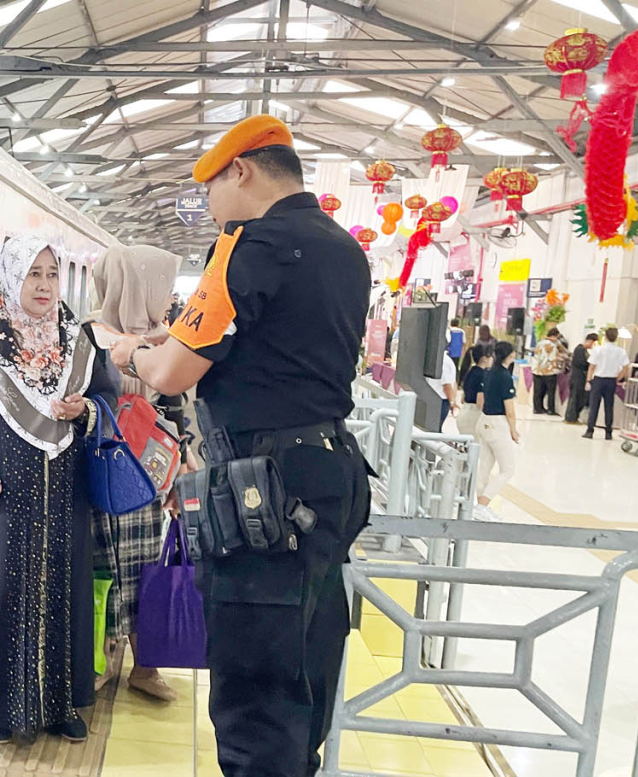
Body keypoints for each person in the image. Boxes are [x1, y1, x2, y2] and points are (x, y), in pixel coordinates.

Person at [107, 115, 372, 777]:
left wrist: (126, 351)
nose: (208, 206)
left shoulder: (248, 244)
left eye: (210, 188)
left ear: (242, 170)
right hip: (330, 473)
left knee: (255, 695)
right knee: (304, 666)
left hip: (265, 492)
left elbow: (171, 370)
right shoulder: (344, 247)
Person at [0, 235, 120, 743]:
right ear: (11, 277)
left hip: (65, 498)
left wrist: (87, 410)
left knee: (63, 588)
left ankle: (59, 706)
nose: (42, 285)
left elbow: (107, 398)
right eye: (32, 273)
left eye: (51, 274)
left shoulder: (76, 340)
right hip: (3, 498)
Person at [85, 243, 183, 702]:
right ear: (138, 286)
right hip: (104, 469)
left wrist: (179, 474)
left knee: (145, 568)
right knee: (102, 567)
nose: (167, 299)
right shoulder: (88, 336)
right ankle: (101, 657)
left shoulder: (173, 340)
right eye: (161, 287)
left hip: (150, 476)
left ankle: (146, 665)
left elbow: (182, 408)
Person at [474, 342, 520, 522]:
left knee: (485, 466)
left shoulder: (490, 372)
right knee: (508, 469)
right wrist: (513, 430)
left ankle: (479, 507)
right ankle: (483, 504)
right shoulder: (505, 376)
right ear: (510, 354)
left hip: (484, 420)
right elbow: (509, 409)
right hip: (497, 423)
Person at [584, 327, 629, 440]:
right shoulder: (621, 351)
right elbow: (626, 367)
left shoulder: (598, 350)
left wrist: (588, 380)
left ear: (605, 337)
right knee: (609, 406)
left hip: (599, 379)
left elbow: (592, 366)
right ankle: (608, 432)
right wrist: (619, 378)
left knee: (594, 405)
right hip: (611, 380)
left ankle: (590, 430)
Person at [456, 344, 492, 437]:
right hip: (474, 417)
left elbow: (462, 399)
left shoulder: (470, 372)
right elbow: (480, 402)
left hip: (464, 412)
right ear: (484, 358)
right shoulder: (483, 375)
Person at [530, 327, 568, 415]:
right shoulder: (552, 345)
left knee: (538, 391)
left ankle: (537, 408)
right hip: (549, 371)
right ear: (555, 336)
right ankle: (551, 409)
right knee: (550, 392)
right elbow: (554, 357)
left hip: (537, 370)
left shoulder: (539, 343)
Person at [564, 333, 597, 424]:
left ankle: (574, 417)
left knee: (578, 397)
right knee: (575, 397)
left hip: (579, 377)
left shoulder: (583, 350)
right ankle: (571, 418)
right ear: (589, 341)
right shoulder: (580, 349)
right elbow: (582, 363)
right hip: (577, 377)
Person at [425, 346, 458, 428]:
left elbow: (448, 384)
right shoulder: (445, 360)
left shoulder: (441, 360)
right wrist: (452, 401)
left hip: (438, 399)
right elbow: (449, 383)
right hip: (439, 399)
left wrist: (452, 402)